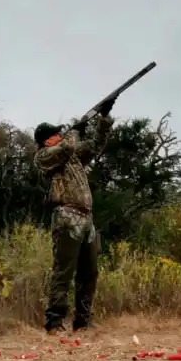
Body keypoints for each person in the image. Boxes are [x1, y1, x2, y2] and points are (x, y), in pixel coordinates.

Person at [33, 98, 116, 335]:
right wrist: (75, 130)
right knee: (63, 271)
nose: (60, 136)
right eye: (56, 135)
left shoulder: (72, 156)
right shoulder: (44, 157)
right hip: (66, 216)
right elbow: (67, 147)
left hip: (86, 218)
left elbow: (96, 145)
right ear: (47, 140)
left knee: (89, 273)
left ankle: (83, 321)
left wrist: (103, 119)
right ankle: (54, 322)